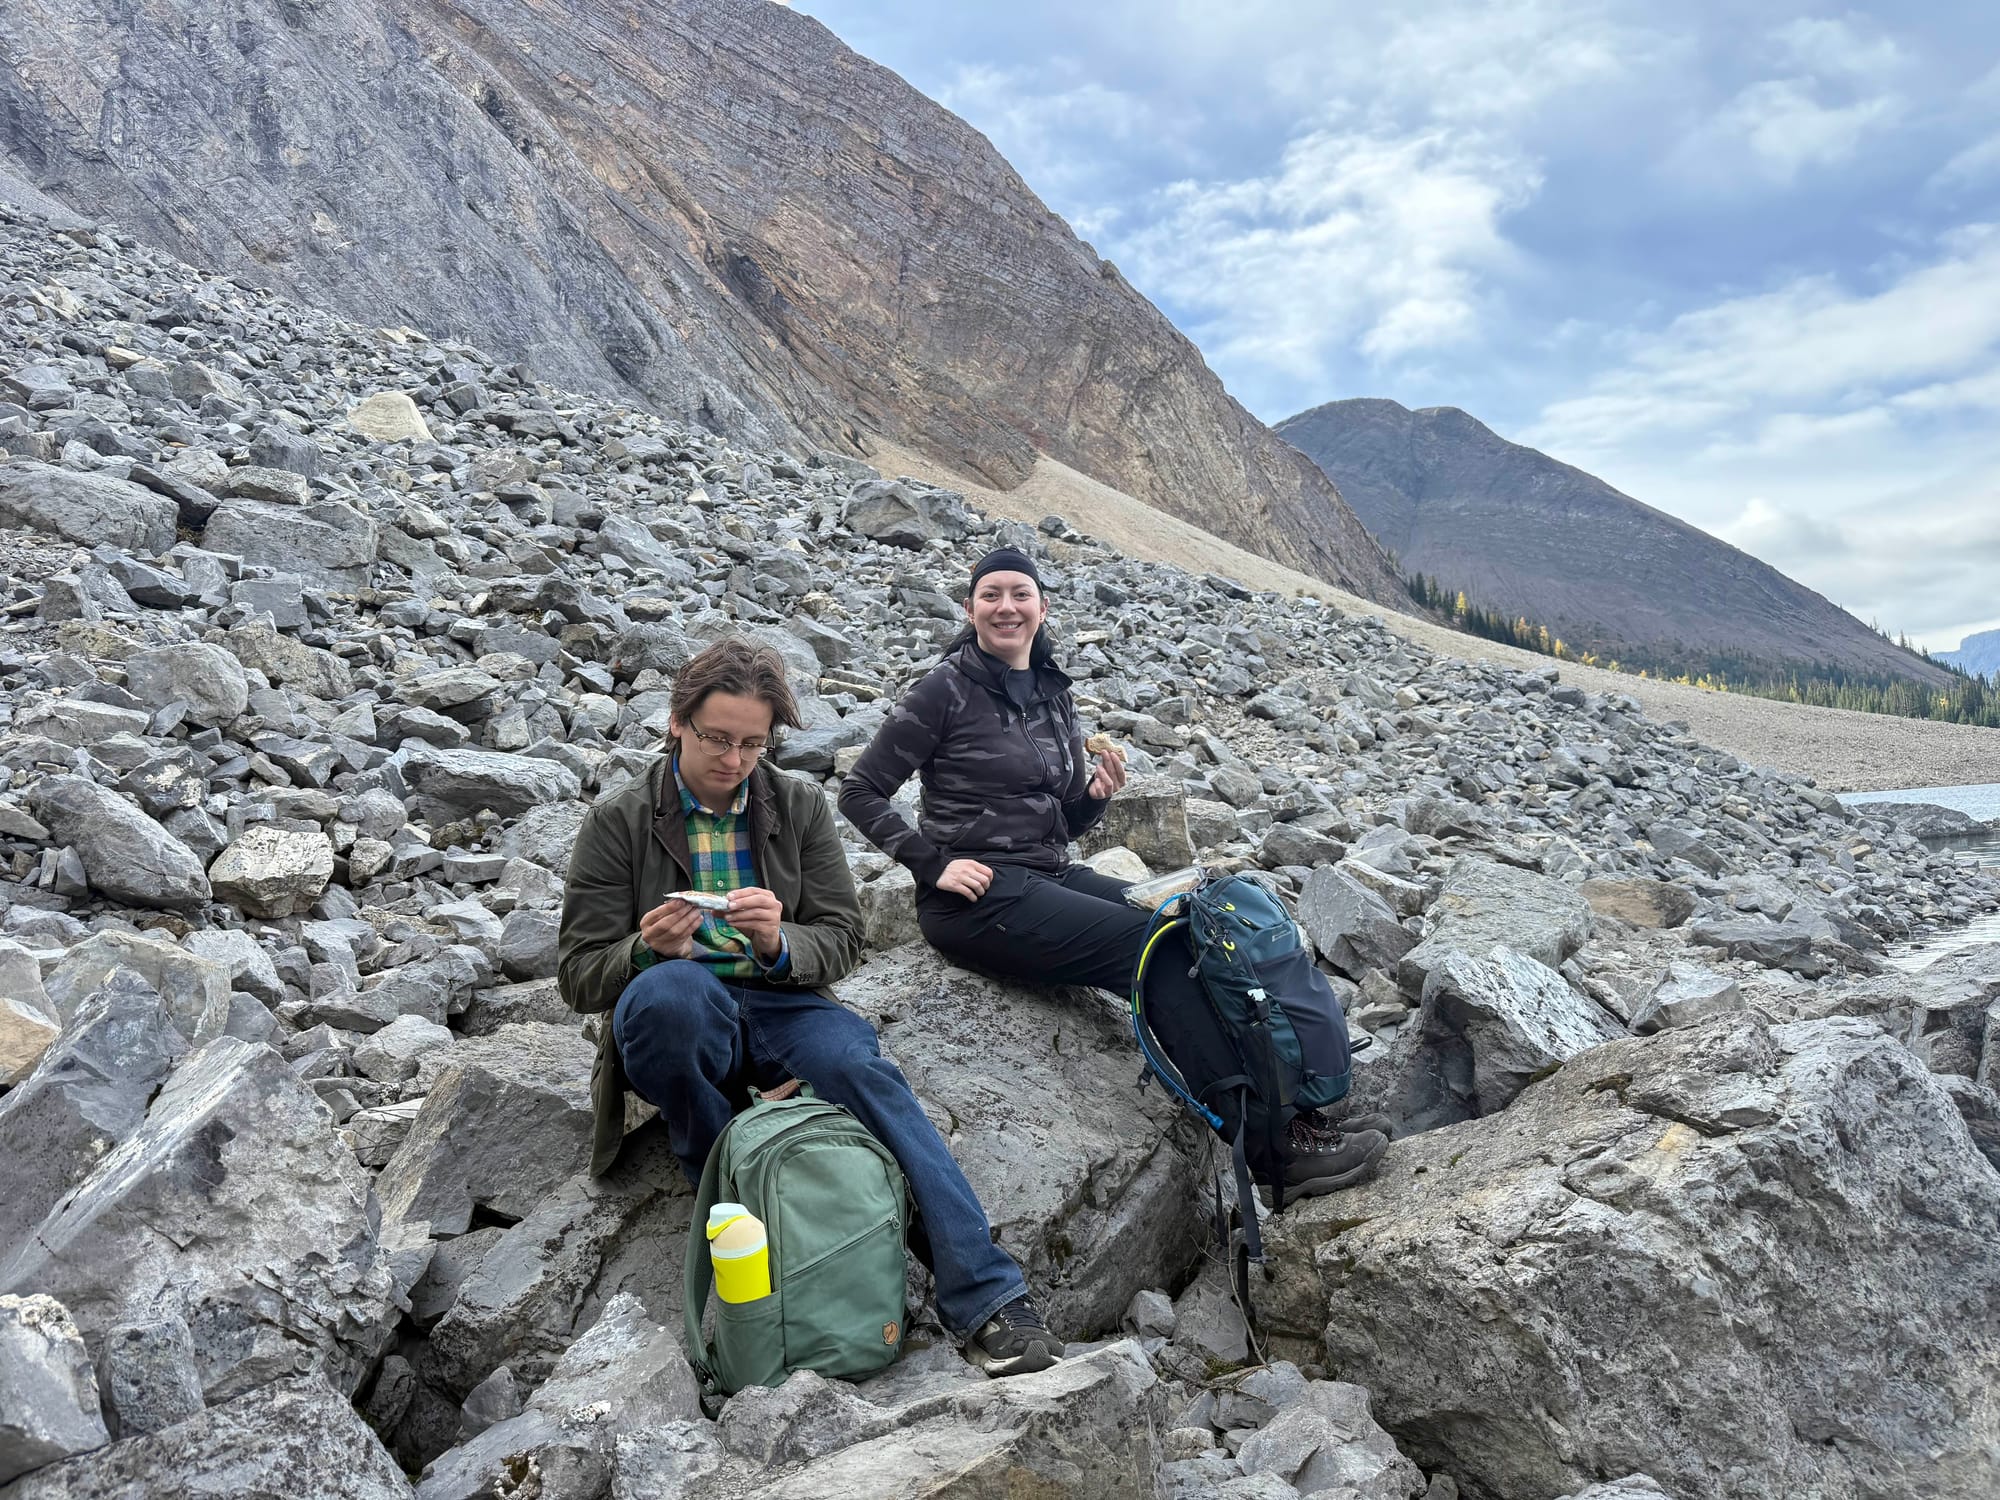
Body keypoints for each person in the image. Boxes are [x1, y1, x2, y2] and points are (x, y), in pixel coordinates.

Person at [557, 637, 1062, 1377]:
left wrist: (777, 942)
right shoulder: (619, 819)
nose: (734, 760)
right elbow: (577, 976)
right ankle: (730, 1181)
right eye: (717, 739)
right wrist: (643, 949)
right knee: (673, 998)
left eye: (752, 744)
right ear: (676, 723)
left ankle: (988, 1298)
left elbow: (843, 938)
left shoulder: (796, 804)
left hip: (781, 1002)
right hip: (678, 1006)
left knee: (861, 1069)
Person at [839, 547, 1389, 1197]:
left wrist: (1094, 797)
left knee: (1190, 929)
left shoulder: (1053, 694)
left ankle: (1292, 1114)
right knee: (1153, 949)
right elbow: (860, 791)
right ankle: (1274, 1157)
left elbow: (1061, 825)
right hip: (978, 898)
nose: (1006, 607)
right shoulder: (944, 690)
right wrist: (932, 864)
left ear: (1042, 607)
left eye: (1020, 594)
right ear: (970, 609)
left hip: (1047, 873)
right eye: (991, 595)